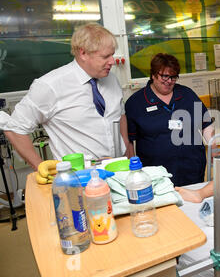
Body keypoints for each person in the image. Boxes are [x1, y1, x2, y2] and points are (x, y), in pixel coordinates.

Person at [3, 23, 131, 170]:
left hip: (116, 169)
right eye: (105, 56)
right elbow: (14, 128)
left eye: (112, 54)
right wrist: (40, 167)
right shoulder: (50, 86)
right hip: (77, 176)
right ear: (83, 53)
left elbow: (120, 114)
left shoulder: (111, 79)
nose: (112, 61)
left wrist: (126, 146)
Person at [125, 53, 214, 187]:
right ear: (153, 75)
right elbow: (129, 141)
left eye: (173, 77)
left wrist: (216, 151)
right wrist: (133, 172)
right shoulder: (136, 103)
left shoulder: (187, 95)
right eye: (164, 76)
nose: (169, 81)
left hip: (192, 168)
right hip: (156, 174)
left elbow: (205, 124)